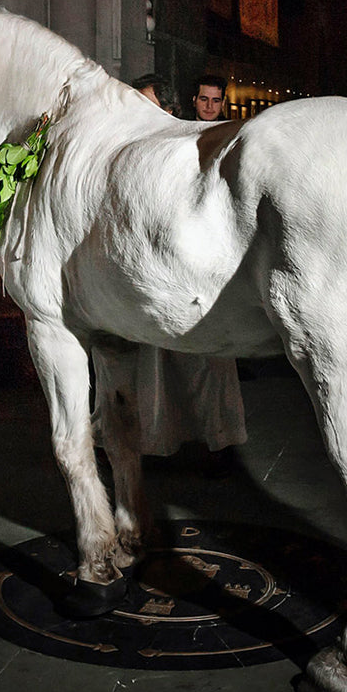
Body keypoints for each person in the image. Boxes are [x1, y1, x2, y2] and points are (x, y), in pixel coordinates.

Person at [92, 74, 247, 477]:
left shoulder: (189, 143)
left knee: (209, 361)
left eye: (149, 104)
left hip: (193, 265)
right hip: (143, 269)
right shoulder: (124, 144)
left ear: (169, 109)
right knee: (147, 363)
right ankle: (147, 440)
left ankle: (218, 440)